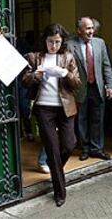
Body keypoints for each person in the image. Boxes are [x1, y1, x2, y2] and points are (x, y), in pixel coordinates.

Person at [22, 23, 81, 207]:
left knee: (69, 145)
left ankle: (54, 167)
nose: (53, 45)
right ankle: (59, 192)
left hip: (65, 108)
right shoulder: (34, 57)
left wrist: (64, 73)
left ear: (62, 41)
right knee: (53, 150)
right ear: (44, 41)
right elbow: (24, 81)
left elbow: (77, 83)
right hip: (44, 108)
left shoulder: (68, 57)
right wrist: (36, 76)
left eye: (57, 42)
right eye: (50, 41)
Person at [67, 16, 112, 161]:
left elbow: (106, 66)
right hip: (79, 88)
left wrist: (110, 86)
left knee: (97, 119)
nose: (91, 31)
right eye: (87, 28)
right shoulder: (70, 45)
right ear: (79, 30)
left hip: (97, 88)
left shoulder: (100, 43)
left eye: (92, 28)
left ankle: (97, 148)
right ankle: (85, 148)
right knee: (81, 119)